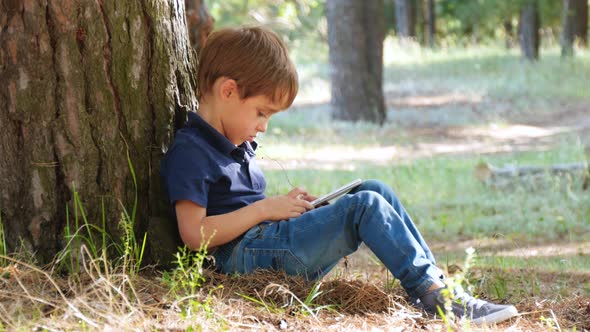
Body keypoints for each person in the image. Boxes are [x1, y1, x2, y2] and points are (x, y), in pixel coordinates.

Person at [160, 26, 519, 325]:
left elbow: (249, 207)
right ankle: (435, 300)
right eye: (261, 112)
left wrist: (289, 208)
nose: (264, 126)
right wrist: (265, 210)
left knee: (372, 189)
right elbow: (194, 234)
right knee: (364, 207)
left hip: (262, 241)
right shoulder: (192, 151)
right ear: (228, 91)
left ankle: (438, 285)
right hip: (240, 258)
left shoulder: (232, 142)